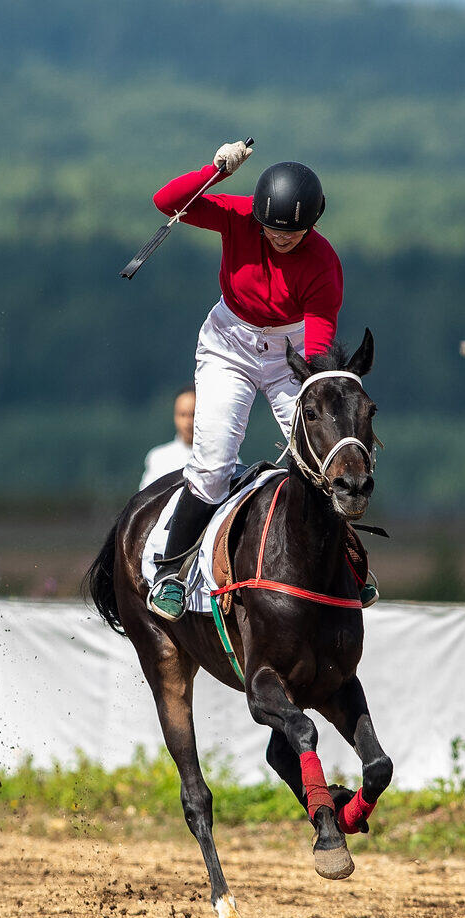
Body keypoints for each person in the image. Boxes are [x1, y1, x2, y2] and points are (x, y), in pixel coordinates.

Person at [143, 140, 344, 620]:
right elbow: (166, 202)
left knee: (324, 459)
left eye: (293, 233)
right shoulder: (239, 216)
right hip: (227, 346)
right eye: (273, 229)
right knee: (212, 467)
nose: (281, 239)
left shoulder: (323, 265)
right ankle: (172, 571)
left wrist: (315, 406)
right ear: (259, 216)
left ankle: (350, 564)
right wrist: (215, 170)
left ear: (311, 225)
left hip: (289, 355)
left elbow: (316, 350)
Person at [139, 385, 196, 491]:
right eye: (182, 415)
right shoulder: (158, 458)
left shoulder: (222, 460)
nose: (188, 422)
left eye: (193, 414)